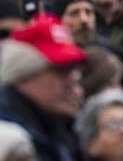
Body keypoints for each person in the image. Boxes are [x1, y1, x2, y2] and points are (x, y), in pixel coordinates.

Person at [0, 15, 86, 161]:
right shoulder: (8, 141)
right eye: (62, 71)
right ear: (25, 73)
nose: (75, 85)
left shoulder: (60, 125)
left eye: (73, 71)